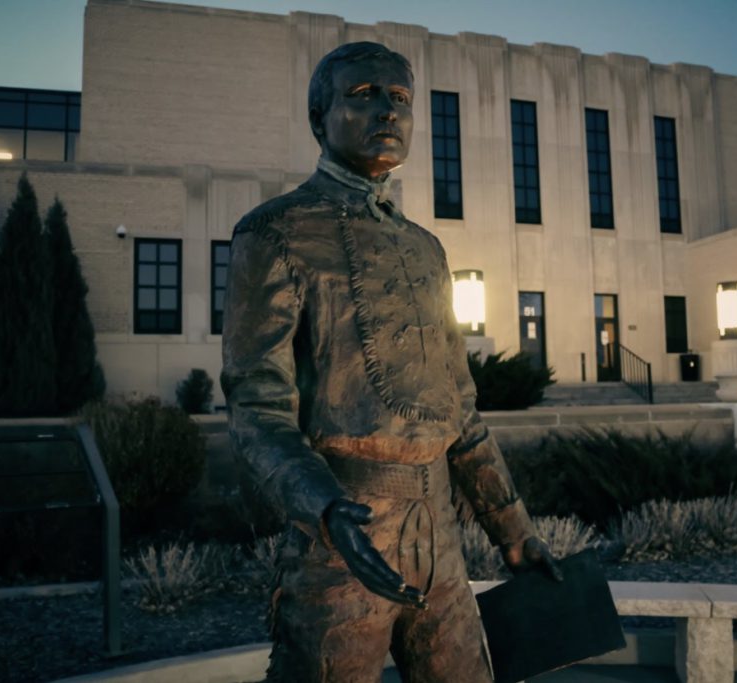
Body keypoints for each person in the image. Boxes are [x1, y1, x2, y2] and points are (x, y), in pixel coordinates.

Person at [221, 41, 561, 682]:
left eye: (400, 99)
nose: (387, 111)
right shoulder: (274, 232)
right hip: (340, 540)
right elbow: (256, 402)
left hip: (441, 542)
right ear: (319, 117)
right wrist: (324, 507)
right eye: (363, 94)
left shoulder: (427, 250)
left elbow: (460, 407)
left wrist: (512, 530)